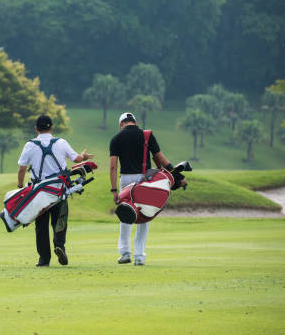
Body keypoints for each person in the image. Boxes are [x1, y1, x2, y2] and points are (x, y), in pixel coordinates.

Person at [17, 115, 93, 267]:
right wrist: (83, 156)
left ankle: (44, 259)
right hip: (60, 190)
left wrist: (20, 187)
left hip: (39, 193)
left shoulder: (30, 145)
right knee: (60, 220)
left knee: (41, 225)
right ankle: (59, 245)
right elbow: (77, 159)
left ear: (36, 129)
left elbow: (22, 169)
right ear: (51, 128)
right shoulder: (61, 142)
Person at [109, 112, 184, 266]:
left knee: (125, 214)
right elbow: (161, 159)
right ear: (135, 122)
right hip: (145, 179)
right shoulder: (147, 135)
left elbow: (113, 167)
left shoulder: (116, 138)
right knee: (145, 214)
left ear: (121, 124)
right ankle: (139, 257)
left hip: (126, 179)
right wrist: (177, 175)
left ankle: (124, 253)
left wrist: (114, 190)